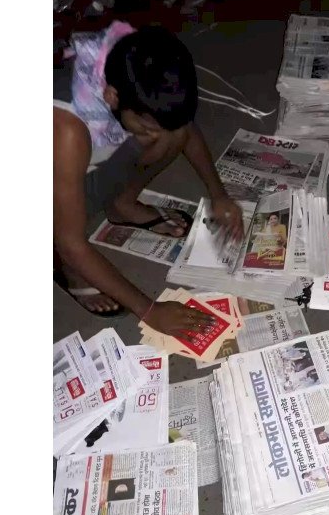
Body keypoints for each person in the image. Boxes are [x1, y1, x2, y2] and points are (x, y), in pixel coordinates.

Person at [54, 22, 244, 336]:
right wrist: (150, 311)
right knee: (67, 243)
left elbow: (183, 129)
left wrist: (219, 195)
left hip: (87, 161)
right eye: (146, 125)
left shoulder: (133, 68)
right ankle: (65, 270)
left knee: (173, 131)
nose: (154, 136)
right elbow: (71, 243)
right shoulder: (66, 130)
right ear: (112, 96)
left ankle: (122, 204)